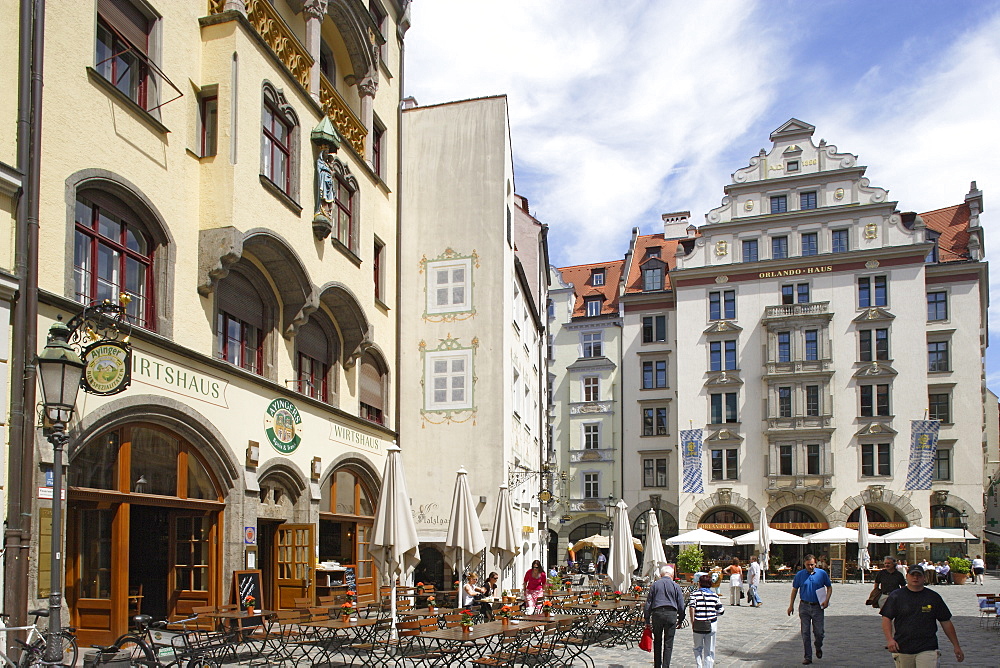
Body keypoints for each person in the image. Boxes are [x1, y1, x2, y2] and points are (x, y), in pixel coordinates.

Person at [881, 564, 964, 666]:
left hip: (928, 647)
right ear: (907, 577)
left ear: (924, 578)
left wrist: (956, 645)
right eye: (912, 575)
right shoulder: (896, 596)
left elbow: (946, 622)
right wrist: (889, 639)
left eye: (919, 575)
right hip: (903, 646)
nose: (915, 578)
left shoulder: (933, 597)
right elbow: (886, 618)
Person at [787, 554, 832, 665]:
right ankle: (808, 656)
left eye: (812, 564)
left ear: (815, 563)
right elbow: (795, 590)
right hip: (804, 606)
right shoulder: (800, 575)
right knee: (805, 632)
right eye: (808, 565)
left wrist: (826, 600)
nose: (810, 567)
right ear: (804, 564)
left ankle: (818, 646)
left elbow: (829, 587)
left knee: (819, 632)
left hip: (817, 606)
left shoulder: (822, 574)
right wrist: (791, 605)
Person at [644, 565, 686, 668]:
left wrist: (647, 620)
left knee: (657, 640)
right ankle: (666, 665)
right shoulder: (676, 586)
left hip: (657, 614)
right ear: (671, 575)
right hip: (671, 614)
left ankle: (657, 665)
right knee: (669, 642)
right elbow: (681, 605)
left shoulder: (655, 585)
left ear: (661, 575)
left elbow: (648, 603)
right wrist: (681, 619)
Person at [689, 573, 724, 668]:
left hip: (698, 623)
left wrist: (693, 621)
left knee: (697, 648)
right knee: (710, 649)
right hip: (711, 624)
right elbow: (721, 610)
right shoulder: (714, 595)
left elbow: (692, 608)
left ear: (699, 583)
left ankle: (699, 666)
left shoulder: (694, 594)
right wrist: (712, 613)